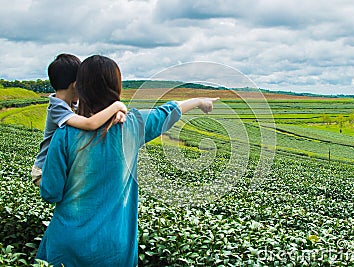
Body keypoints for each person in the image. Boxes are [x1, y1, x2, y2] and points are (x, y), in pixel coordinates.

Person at [35, 55, 219, 266]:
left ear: (81, 89)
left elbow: (51, 192)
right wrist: (198, 101)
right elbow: (167, 112)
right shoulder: (134, 125)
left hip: (67, 245)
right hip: (115, 249)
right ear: (117, 87)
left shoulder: (65, 134)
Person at [31, 54, 127, 186]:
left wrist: (117, 113)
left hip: (58, 165)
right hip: (44, 170)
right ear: (76, 85)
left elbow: (95, 116)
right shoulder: (56, 108)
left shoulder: (71, 104)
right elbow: (90, 124)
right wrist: (117, 106)